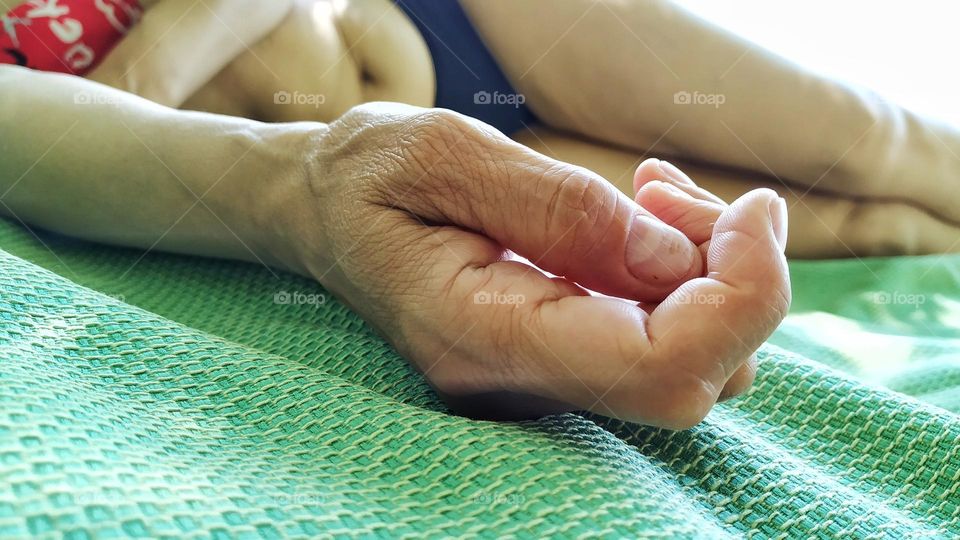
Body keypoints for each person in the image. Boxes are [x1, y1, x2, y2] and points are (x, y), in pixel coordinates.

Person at [0, 0, 951, 427]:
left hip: (462, 21)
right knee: (870, 227)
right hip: (454, 163)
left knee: (877, 141)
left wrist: (134, 85)